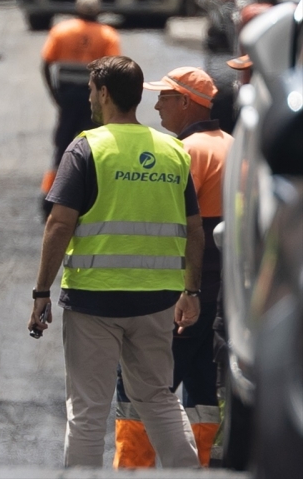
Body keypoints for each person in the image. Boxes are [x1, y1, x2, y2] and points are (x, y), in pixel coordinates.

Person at [29, 55, 203, 468]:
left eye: (91, 90)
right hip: (156, 300)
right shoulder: (172, 150)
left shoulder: (87, 147)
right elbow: (194, 229)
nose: (89, 97)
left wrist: (41, 292)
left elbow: (59, 225)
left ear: (104, 93)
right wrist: (190, 291)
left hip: (95, 301)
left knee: (88, 409)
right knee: (158, 399)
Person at [112, 68, 232, 467]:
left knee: (143, 386)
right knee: (201, 389)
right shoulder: (232, 146)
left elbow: (185, 227)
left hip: (188, 288)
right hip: (222, 291)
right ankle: (202, 467)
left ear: (185, 102)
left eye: (164, 97)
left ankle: (133, 467)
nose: (156, 104)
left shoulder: (188, 152)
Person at [39, 0, 121, 212]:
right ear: (99, 11)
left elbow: (46, 63)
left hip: (67, 96)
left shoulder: (61, 31)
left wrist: (55, 94)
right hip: (92, 100)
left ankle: (50, 196)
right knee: (95, 145)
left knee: (63, 146)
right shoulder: (107, 34)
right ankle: (94, 194)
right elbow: (113, 69)